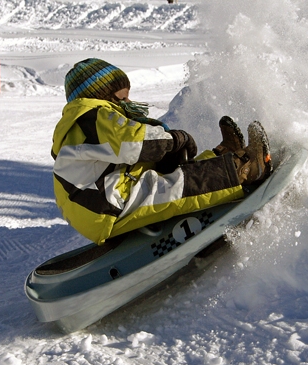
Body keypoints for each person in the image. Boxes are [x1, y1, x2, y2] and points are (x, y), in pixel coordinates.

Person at [52, 58, 272, 245]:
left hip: (100, 204)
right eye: (123, 97)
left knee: (169, 170)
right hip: (107, 205)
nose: (128, 102)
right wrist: (176, 139)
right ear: (102, 95)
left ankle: (222, 156)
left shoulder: (78, 126)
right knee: (177, 185)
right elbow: (135, 142)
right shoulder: (92, 116)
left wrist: (168, 152)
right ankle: (244, 168)